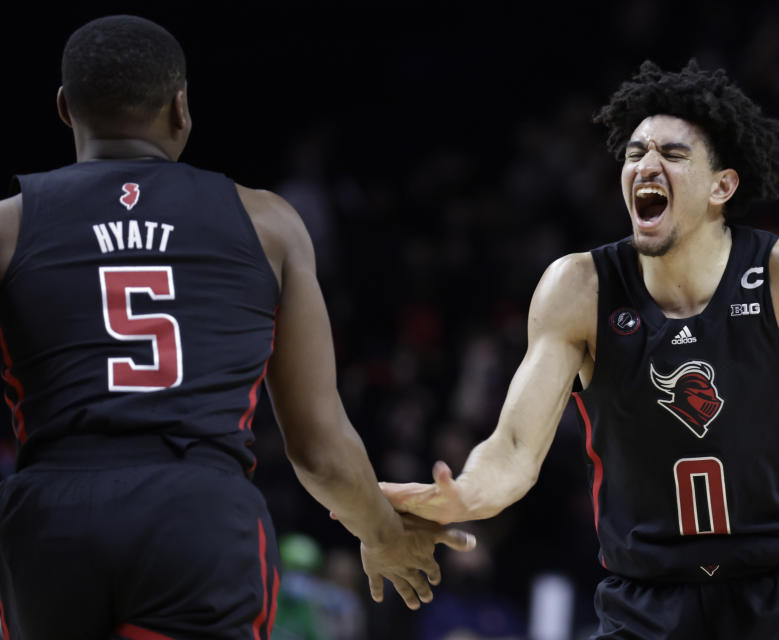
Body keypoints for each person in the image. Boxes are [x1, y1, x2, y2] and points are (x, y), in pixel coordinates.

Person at [380, 60, 779, 638]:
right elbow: (516, 446)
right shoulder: (579, 287)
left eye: (672, 154)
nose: (646, 164)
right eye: (635, 152)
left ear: (721, 186)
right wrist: (466, 494)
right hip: (646, 603)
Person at [0, 15, 473, 640]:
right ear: (180, 108)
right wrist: (382, 534)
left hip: (49, 519)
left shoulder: (8, 227)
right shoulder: (268, 224)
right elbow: (318, 446)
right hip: (195, 514)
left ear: (65, 109)